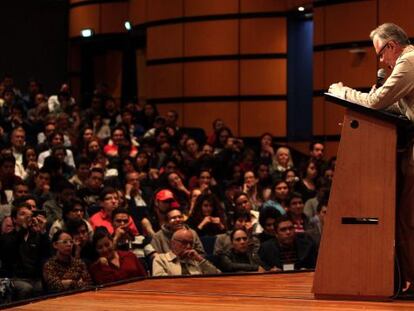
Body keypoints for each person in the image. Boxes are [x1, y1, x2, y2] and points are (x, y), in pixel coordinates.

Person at [328, 23, 414, 288]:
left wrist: (342, 92)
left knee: (408, 219)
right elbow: (397, 109)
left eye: (379, 53)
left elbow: (377, 103)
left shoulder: (408, 61)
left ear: (391, 46)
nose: (381, 61)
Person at [152, 228, 220, 276]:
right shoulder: (161, 259)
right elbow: (160, 282)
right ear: (173, 243)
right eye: (184, 242)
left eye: (191, 243)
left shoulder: (196, 260)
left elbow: (217, 275)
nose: (188, 246)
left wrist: (200, 259)